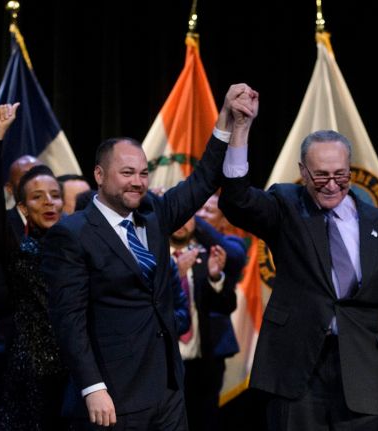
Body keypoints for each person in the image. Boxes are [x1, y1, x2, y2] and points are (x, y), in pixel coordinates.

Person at [217, 85, 378, 429]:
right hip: (295, 372)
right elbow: (236, 201)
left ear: (350, 169)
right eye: (320, 175)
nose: (332, 184)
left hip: (361, 373)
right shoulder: (286, 205)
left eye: (340, 175)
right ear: (303, 171)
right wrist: (241, 129)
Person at [42, 84, 242, 429]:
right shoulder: (72, 234)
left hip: (166, 388)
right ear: (100, 176)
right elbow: (69, 322)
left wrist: (226, 121)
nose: (137, 182)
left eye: (143, 173)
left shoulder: (154, 214)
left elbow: (203, 179)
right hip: (113, 392)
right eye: (127, 173)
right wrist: (92, 387)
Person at [0, 103, 68, 430]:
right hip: (30, 370)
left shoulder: (80, 246)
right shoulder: (19, 251)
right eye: (37, 197)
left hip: (77, 370)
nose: (48, 202)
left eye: (55, 195)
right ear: (22, 208)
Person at [170, 216, 245, 431]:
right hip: (166, 364)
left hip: (203, 364)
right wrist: (176, 273)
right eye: (178, 216)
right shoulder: (152, 255)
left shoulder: (208, 255)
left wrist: (215, 277)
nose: (182, 223)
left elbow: (226, 306)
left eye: (188, 217)